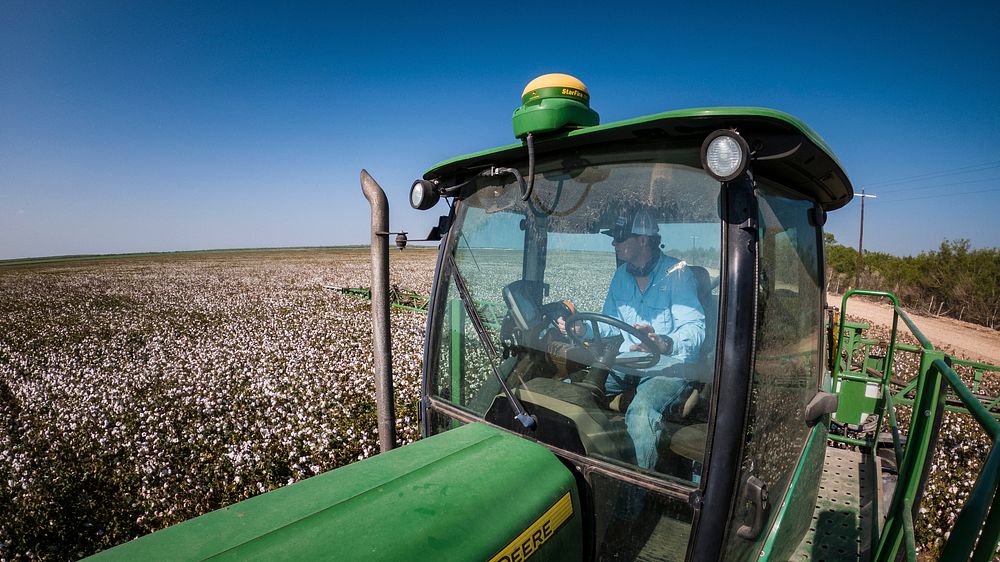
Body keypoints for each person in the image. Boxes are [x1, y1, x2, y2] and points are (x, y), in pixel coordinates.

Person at [560, 205, 705, 471]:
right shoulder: (621, 277)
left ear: (643, 239)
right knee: (571, 391)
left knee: (640, 413)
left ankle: (636, 499)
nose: (614, 243)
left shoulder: (677, 274)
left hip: (668, 368)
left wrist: (664, 342)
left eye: (620, 237)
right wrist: (584, 330)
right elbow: (609, 327)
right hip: (627, 362)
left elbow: (694, 328)